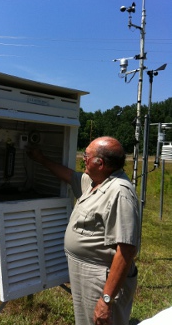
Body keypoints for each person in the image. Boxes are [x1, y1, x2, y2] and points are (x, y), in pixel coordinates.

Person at [26, 136, 140, 325]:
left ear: (100, 163)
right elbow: (70, 176)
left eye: (87, 155)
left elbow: (126, 251)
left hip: (100, 278)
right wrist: (41, 160)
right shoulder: (96, 181)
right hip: (85, 274)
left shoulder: (119, 192)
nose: (83, 159)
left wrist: (106, 300)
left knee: (101, 319)